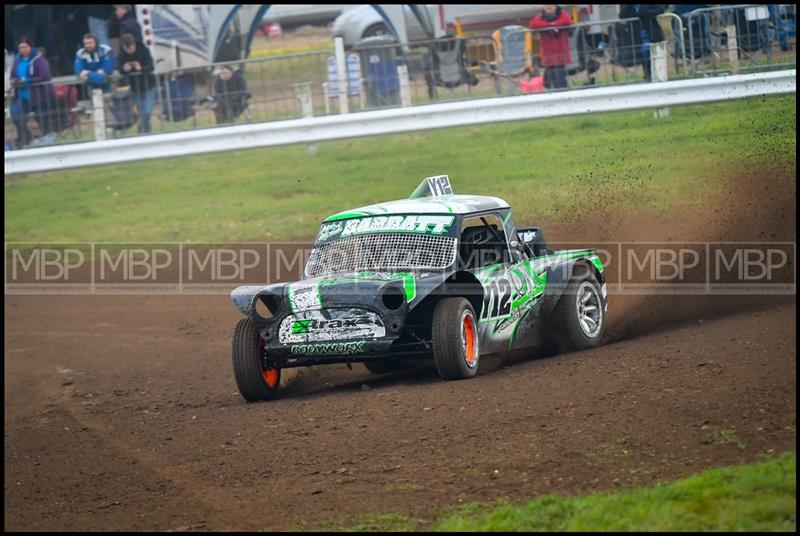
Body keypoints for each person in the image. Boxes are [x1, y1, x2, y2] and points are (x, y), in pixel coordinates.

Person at [9, 36, 57, 148]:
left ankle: (47, 138)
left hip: (39, 95)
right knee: (15, 114)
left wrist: (27, 81)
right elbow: (13, 74)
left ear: (31, 47)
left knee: (41, 116)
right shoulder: (17, 60)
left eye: (25, 47)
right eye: (20, 47)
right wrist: (15, 80)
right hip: (23, 95)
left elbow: (45, 76)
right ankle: (26, 137)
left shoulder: (39, 59)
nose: (23, 49)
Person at [118, 33, 156, 133]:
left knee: (146, 112)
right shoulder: (122, 54)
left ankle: (144, 133)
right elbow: (120, 69)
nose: (129, 50)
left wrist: (141, 68)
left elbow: (151, 66)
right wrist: (124, 69)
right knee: (140, 113)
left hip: (149, 86)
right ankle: (146, 132)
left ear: (134, 44)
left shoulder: (143, 50)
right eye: (126, 48)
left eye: (130, 47)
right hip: (135, 88)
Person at [530, 5, 573, 90]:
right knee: (548, 82)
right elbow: (534, 24)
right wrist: (550, 25)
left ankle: (564, 95)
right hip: (548, 56)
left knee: (559, 80)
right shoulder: (541, 16)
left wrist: (550, 25)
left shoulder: (562, 13)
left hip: (561, 54)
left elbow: (566, 21)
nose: (548, 6)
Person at [618, 4, 666, 81]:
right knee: (645, 53)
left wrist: (647, 14)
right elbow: (621, 15)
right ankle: (648, 74)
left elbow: (661, 10)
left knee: (653, 53)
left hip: (652, 33)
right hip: (637, 36)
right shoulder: (629, 7)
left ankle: (655, 73)